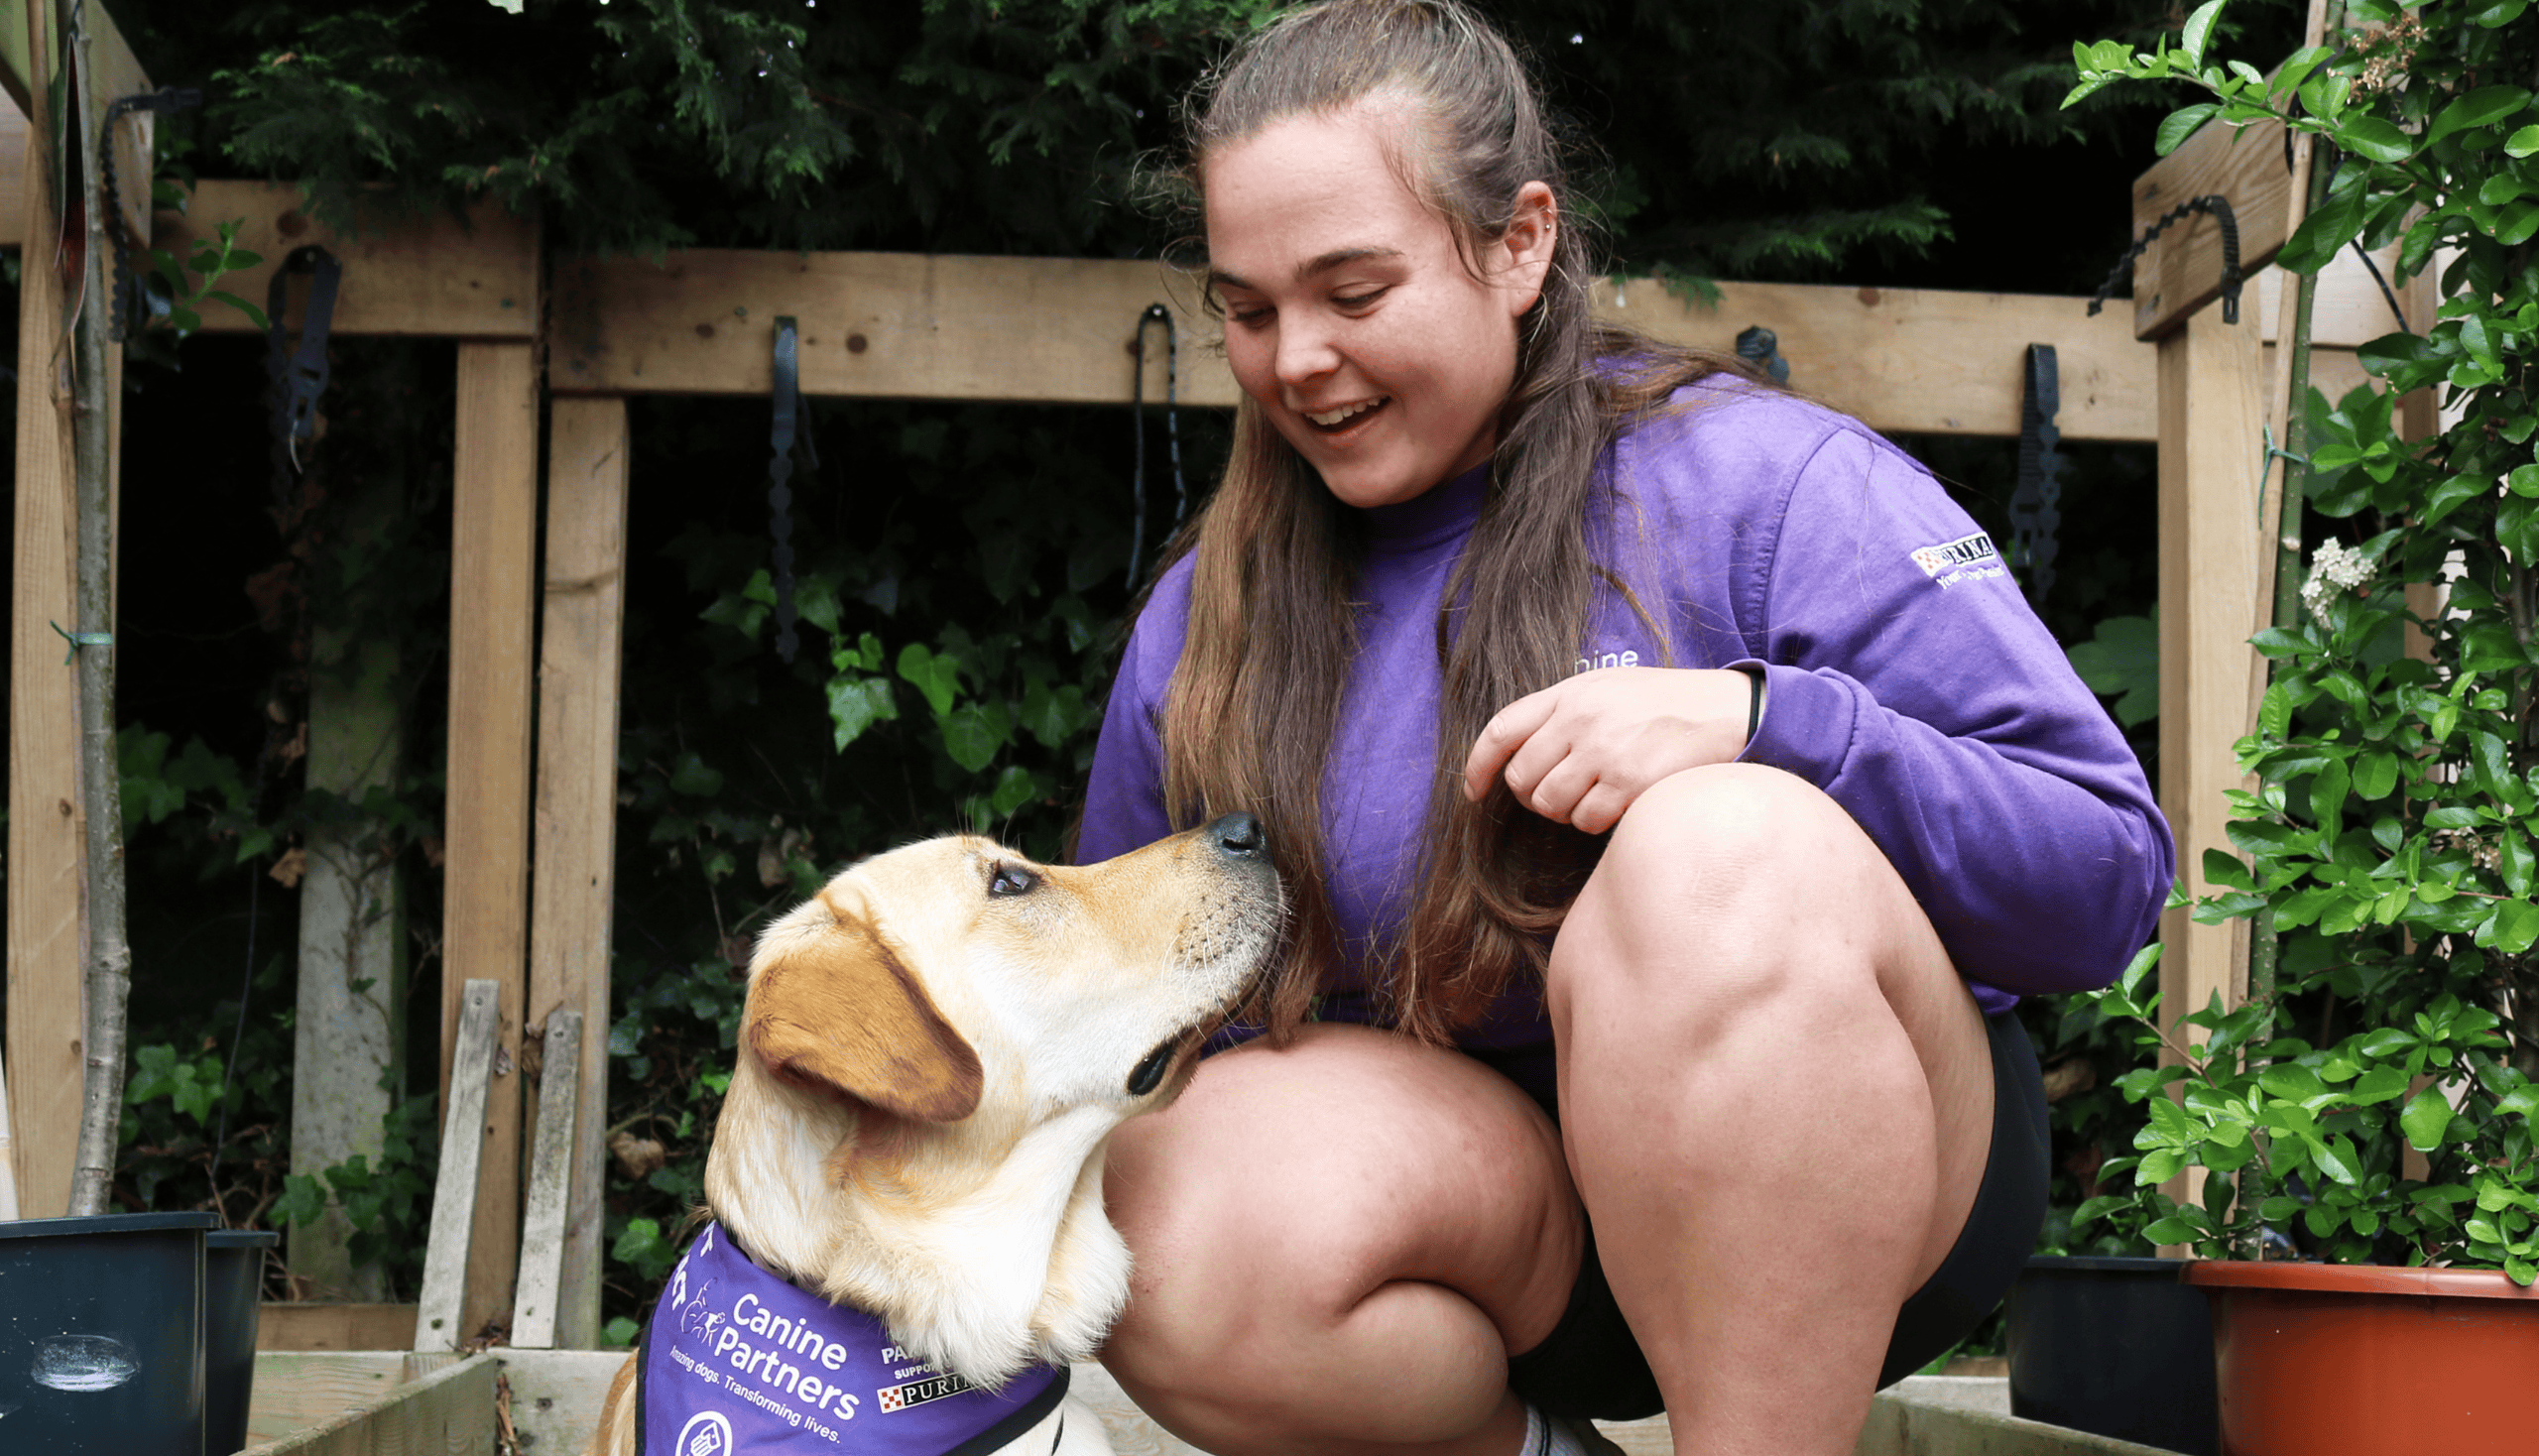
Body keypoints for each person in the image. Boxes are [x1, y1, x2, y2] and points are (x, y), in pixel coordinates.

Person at [1074, 3, 2171, 1453]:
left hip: (1864, 1192)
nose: (1297, 361)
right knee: (1159, 1193)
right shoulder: (1207, 619)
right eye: (1250, 308)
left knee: (1716, 848)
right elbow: (1106, 1037)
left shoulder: (1774, 488)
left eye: (1353, 290)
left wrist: (1771, 727)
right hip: (1490, 1239)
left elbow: (2103, 877)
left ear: (1518, 243)